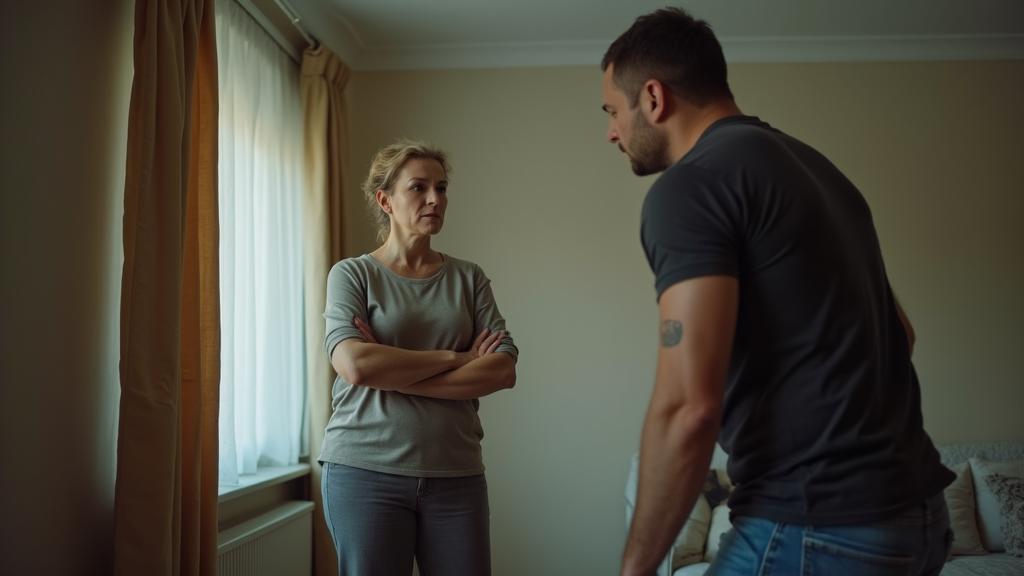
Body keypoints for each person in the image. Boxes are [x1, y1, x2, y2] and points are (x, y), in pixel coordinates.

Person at [600, 8, 954, 576]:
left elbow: (689, 408)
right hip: (919, 518)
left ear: (654, 97)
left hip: (819, 527)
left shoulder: (691, 187)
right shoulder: (820, 172)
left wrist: (634, 568)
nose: (612, 133)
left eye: (613, 112)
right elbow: (901, 335)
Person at [320, 140, 517, 576]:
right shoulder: (352, 275)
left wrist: (390, 369)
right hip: (364, 472)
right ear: (385, 200)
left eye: (441, 188)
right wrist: (459, 357)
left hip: (456, 474)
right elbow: (355, 366)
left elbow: (503, 370)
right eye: (419, 187)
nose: (435, 199)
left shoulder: (469, 278)